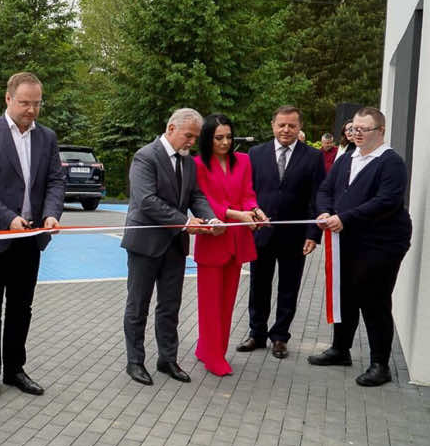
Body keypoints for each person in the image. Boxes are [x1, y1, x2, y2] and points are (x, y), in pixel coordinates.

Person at [0, 72, 65, 401]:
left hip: (30, 238)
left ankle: (14, 369)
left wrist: (51, 213)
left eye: (37, 103)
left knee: (22, 307)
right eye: (24, 103)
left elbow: (55, 181)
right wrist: (8, 218)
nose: (31, 110)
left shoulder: (47, 137)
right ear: (8, 99)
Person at [310, 108, 412, 386]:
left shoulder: (391, 163)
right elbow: (325, 190)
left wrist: (344, 218)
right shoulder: (347, 158)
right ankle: (340, 349)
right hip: (347, 239)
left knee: (374, 300)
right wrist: (324, 212)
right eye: (353, 128)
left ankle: (380, 364)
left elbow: (386, 201)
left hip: (381, 243)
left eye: (363, 129)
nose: (356, 134)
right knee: (344, 294)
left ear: (380, 131)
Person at [121, 108, 221, 386]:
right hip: (145, 244)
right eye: (188, 136)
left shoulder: (188, 162)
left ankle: (167, 359)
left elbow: (196, 195)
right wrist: (185, 222)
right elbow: (146, 201)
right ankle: (135, 362)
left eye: (195, 137)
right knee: (138, 306)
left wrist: (210, 217)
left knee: (170, 306)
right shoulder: (145, 156)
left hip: (175, 246)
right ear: (171, 129)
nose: (192, 142)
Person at [239, 106, 325, 359]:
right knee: (258, 286)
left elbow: (317, 197)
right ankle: (257, 333)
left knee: (289, 287)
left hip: (294, 236)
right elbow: (247, 192)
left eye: (292, 125)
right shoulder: (255, 154)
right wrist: (250, 217)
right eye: (281, 125)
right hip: (261, 233)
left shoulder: (313, 157)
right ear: (273, 125)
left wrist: (313, 234)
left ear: (300, 127)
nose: (286, 130)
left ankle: (280, 337)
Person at [193, 114, 266, 376]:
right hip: (213, 240)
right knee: (210, 305)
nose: (225, 142)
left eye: (229, 137)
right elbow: (205, 201)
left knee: (226, 303)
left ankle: (208, 349)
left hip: (237, 240)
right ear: (207, 139)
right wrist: (238, 215)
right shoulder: (198, 164)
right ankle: (214, 356)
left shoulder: (243, 161)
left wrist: (255, 211)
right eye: (219, 138)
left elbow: (248, 194)